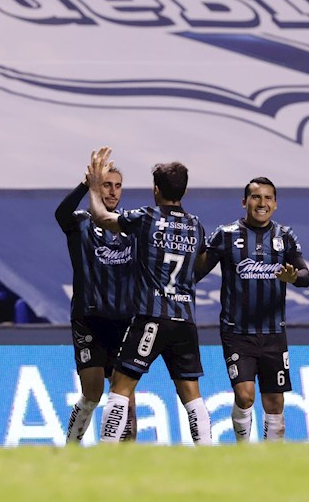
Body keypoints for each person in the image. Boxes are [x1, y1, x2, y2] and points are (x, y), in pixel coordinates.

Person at [86, 147, 212, 445]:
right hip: (185, 320)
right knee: (191, 395)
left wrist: (94, 187)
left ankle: (106, 449)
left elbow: (102, 217)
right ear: (184, 190)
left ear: (156, 190)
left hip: (151, 318)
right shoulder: (196, 225)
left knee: (120, 385)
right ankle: (208, 452)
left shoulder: (145, 218)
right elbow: (199, 266)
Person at [198, 177, 309, 442]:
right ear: (244, 201)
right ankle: (243, 450)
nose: (262, 203)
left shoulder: (285, 236)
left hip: (273, 332)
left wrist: (293, 277)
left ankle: (271, 461)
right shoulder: (225, 235)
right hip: (237, 332)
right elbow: (195, 273)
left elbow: (305, 275)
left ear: (275, 204)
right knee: (245, 395)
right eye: (256, 197)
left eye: (268, 198)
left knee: (274, 403)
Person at [55, 163, 137, 443]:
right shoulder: (80, 222)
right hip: (88, 318)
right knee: (92, 392)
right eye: (106, 185)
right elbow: (60, 214)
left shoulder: (130, 224)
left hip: (125, 320)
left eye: (117, 185)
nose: (113, 191)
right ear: (96, 188)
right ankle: (72, 445)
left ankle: (126, 454)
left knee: (124, 393)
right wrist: (84, 185)